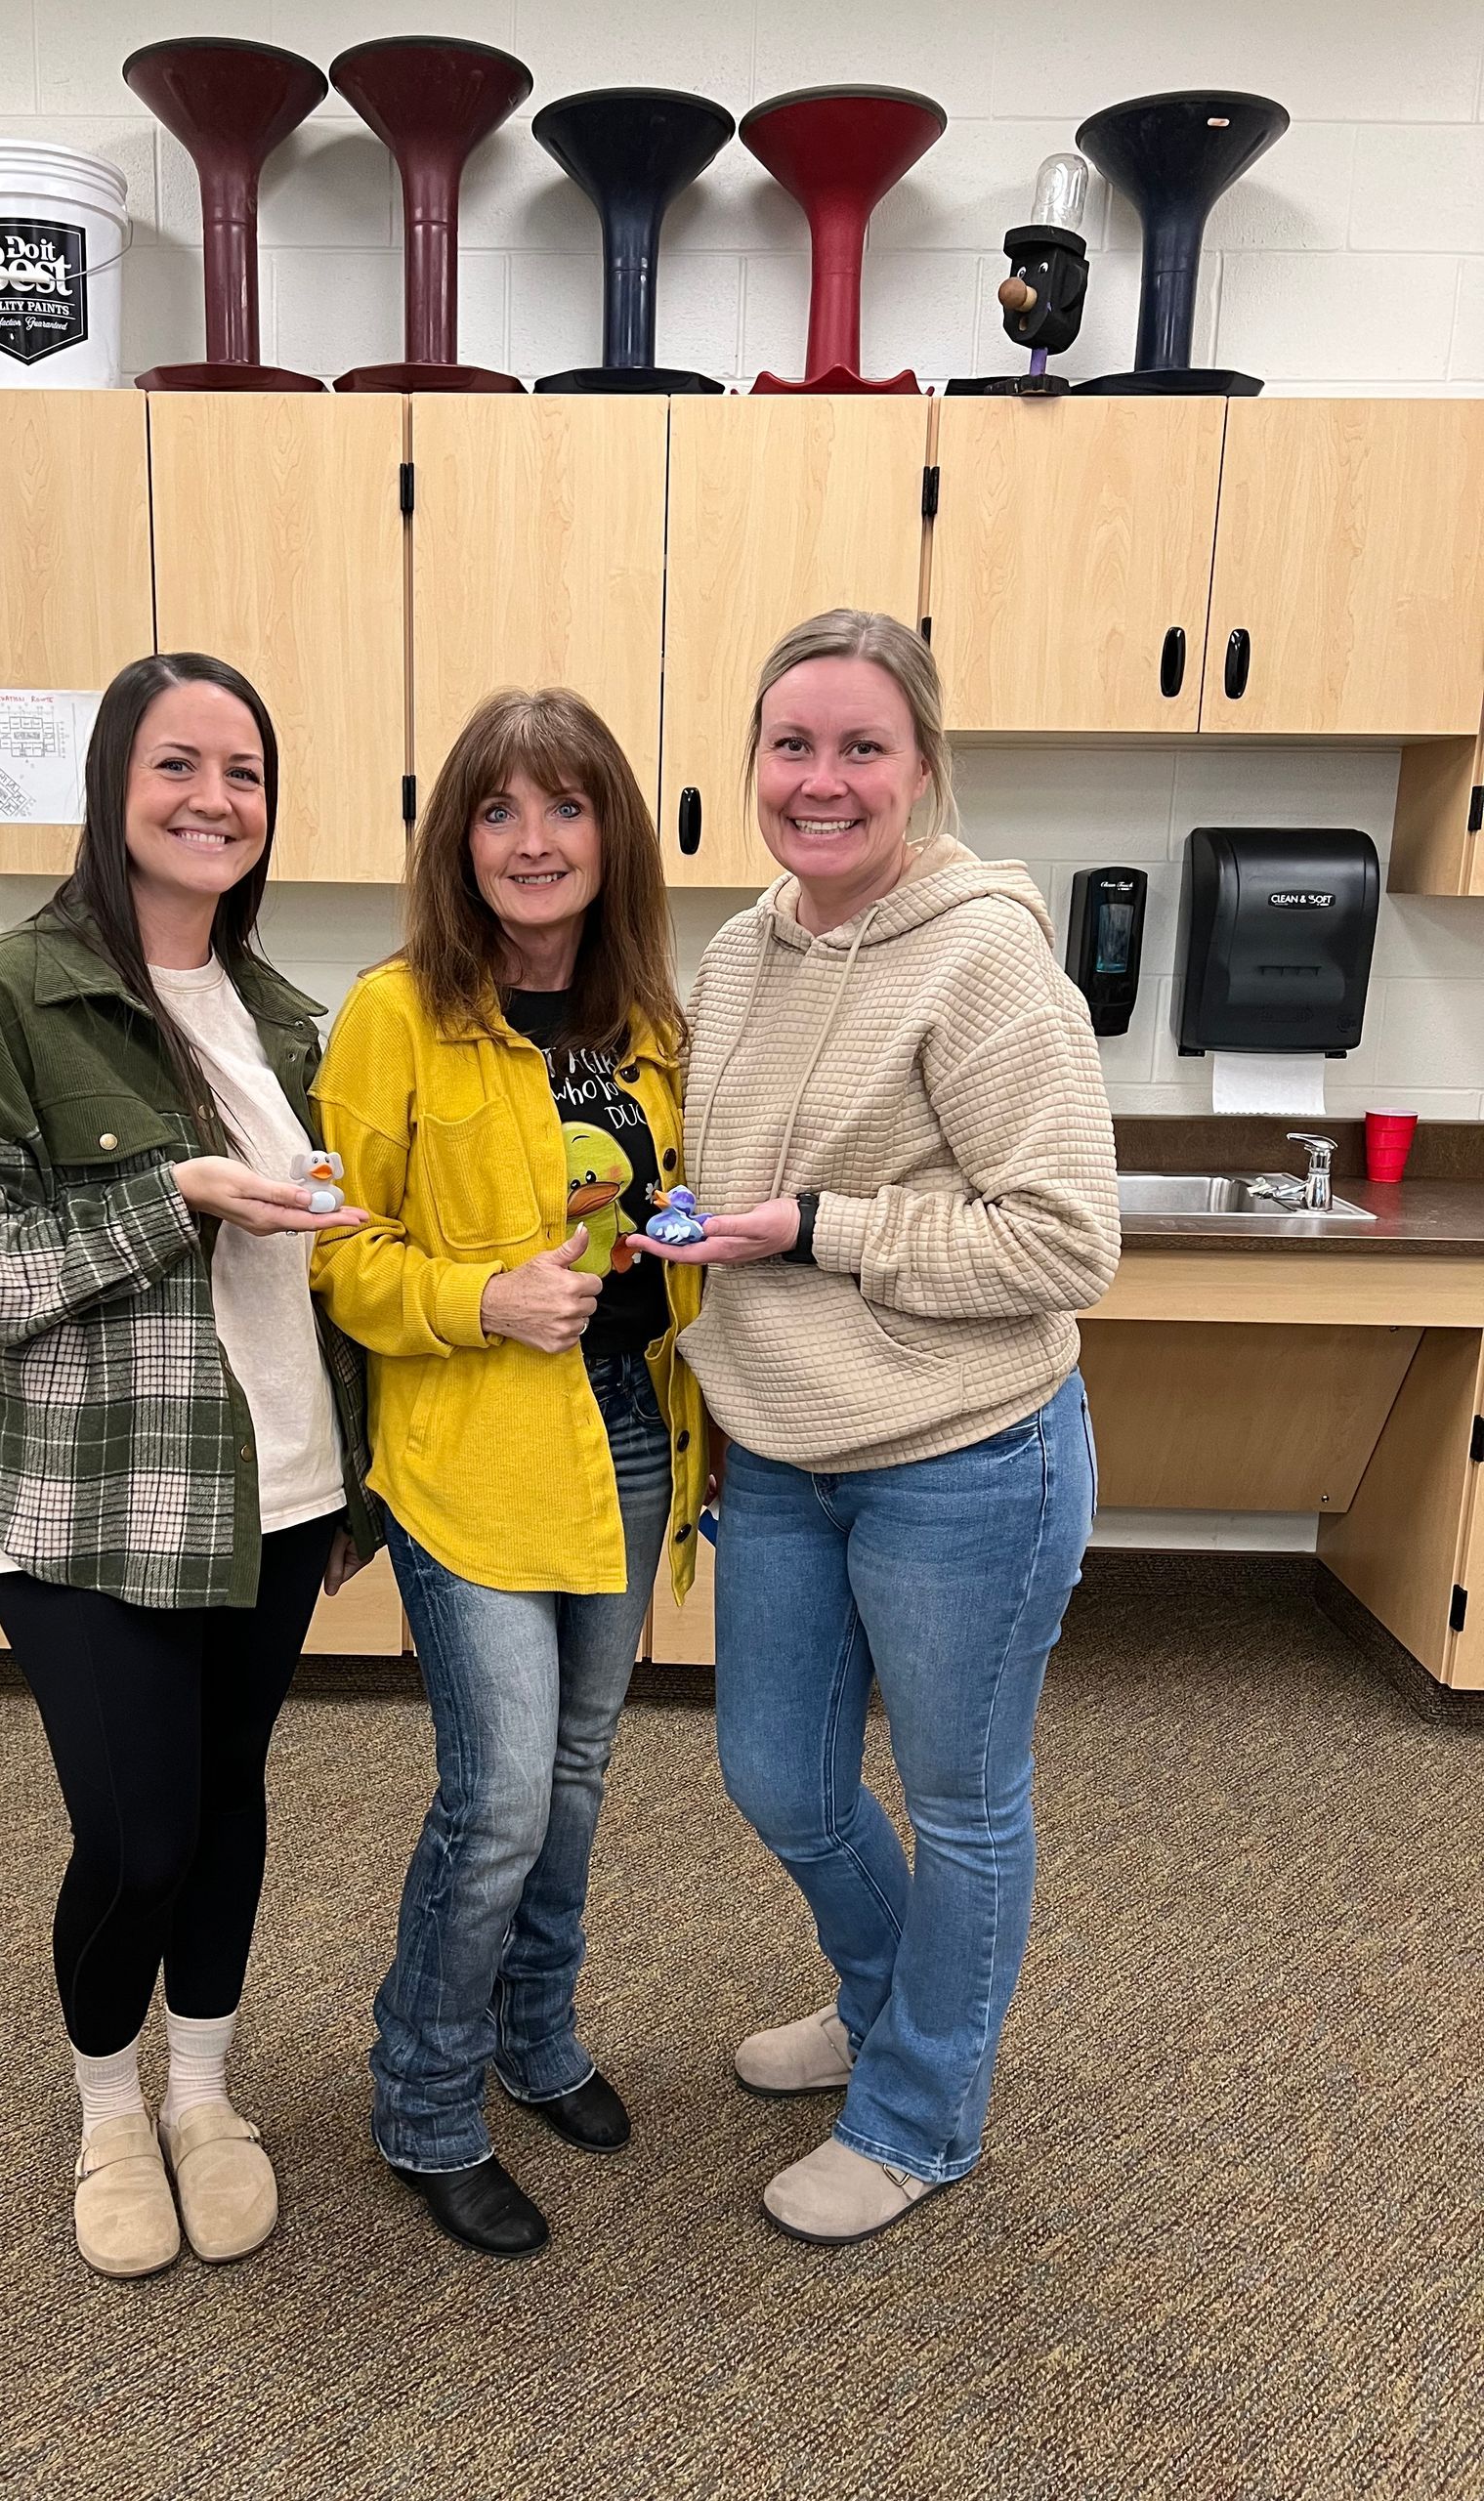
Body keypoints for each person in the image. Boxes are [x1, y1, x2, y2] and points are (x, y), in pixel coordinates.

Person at [632, 610, 1120, 2245]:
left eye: (861, 748)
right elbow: (749, 1179)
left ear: (922, 769)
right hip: (780, 1450)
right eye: (792, 745)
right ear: (752, 763)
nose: (820, 781)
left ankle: (922, 2113)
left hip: (966, 1458)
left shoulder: (986, 959)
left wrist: (814, 1229)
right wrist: (690, 1224)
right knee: (781, 1779)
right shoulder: (736, 949)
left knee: (965, 1801)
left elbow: (1065, 1243)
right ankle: (893, 2001)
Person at [0, 653, 379, 2280]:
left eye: (244, 772)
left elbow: (318, 1273)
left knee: (229, 1806)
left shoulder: (289, 1020)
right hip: (92, 1502)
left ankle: (203, 2095)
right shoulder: (8, 997)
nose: (214, 801)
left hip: (278, 1483)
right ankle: (109, 2108)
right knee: (138, 1835)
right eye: (179, 766)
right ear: (113, 789)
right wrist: (169, 1196)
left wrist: (358, 1450)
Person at [310, 688, 708, 2262]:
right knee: (493, 1802)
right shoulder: (392, 1014)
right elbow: (340, 1264)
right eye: (498, 810)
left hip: (625, 1438)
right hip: (469, 1453)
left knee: (578, 1778)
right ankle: (422, 2098)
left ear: (613, 835)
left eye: (565, 807)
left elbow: (672, 1223)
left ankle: (533, 2036)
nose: (533, 842)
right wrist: (481, 1295)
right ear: (456, 838)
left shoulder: (650, 1023)